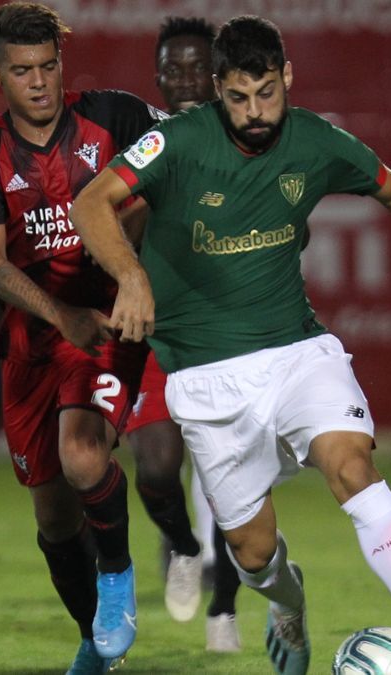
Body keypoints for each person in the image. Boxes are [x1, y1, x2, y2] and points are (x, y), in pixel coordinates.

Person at [71, 15, 391, 675]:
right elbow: (91, 203)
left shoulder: (314, 139)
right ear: (220, 89)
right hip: (204, 381)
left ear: (287, 79)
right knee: (253, 554)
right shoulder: (177, 142)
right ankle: (289, 603)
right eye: (239, 97)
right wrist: (131, 276)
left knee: (353, 467)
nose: (255, 112)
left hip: (298, 355)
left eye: (268, 93)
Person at [0, 3, 166, 671]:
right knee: (53, 517)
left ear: (61, 64)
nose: (39, 83)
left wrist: (138, 266)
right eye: (21, 71)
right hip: (32, 341)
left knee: (81, 456)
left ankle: (120, 575)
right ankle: (97, 642)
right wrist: (56, 314)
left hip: (103, 322)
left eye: (48, 66)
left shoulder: (117, 119)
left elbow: (180, 171)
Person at [122, 14, 242, 653]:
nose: (188, 79)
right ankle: (184, 545)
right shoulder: (141, 143)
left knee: (227, 476)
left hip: (228, 330)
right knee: (159, 468)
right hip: (157, 330)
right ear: (159, 78)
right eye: (175, 68)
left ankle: (225, 609)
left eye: (200, 67)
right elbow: (112, 220)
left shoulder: (247, 135)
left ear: (220, 75)